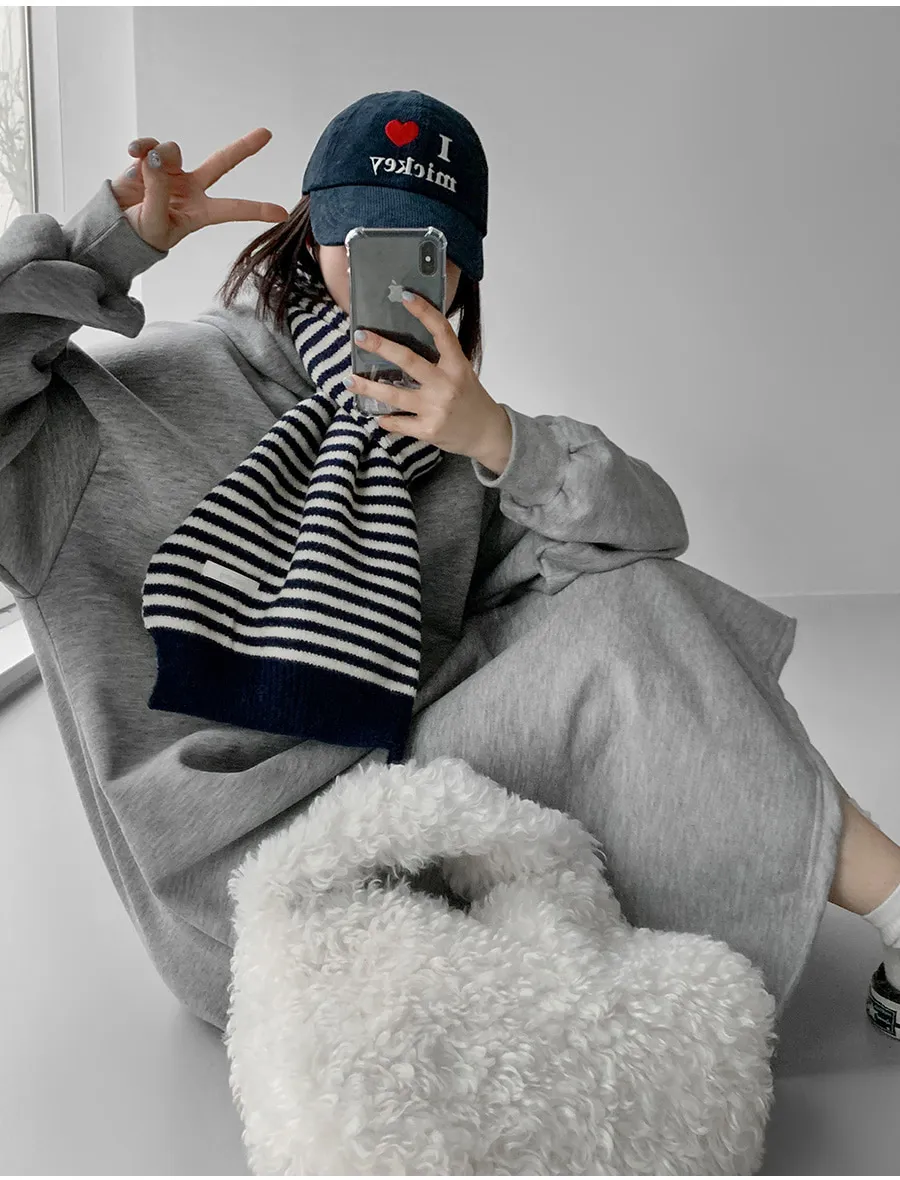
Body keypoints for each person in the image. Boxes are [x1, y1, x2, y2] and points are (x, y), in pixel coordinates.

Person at [1, 89, 898, 1041]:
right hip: (242, 893)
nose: (386, 264)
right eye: (362, 232)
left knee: (631, 595)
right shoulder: (134, 398)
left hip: (409, 795)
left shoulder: (437, 430)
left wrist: (506, 441)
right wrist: (104, 247)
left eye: (424, 245)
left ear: (461, 270)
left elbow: (646, 538)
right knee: (632, 622)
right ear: (310, 231)